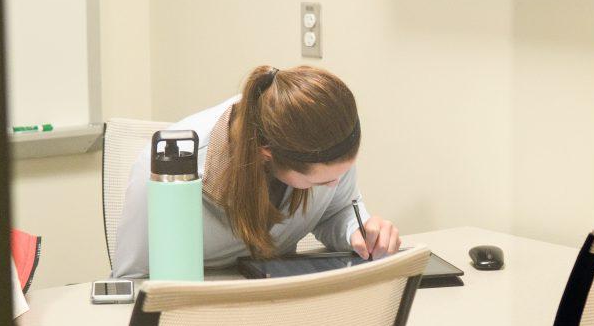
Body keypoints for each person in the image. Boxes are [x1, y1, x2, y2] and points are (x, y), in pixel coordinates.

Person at [112, 65, 400, 278]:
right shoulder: (168, 175)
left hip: (276, 306)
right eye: (324, 180)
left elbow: (334, 211)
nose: (336, 184)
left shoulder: (325, 142)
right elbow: (134, 282)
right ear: (268, 153)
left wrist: (357, 231)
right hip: (197, 314)